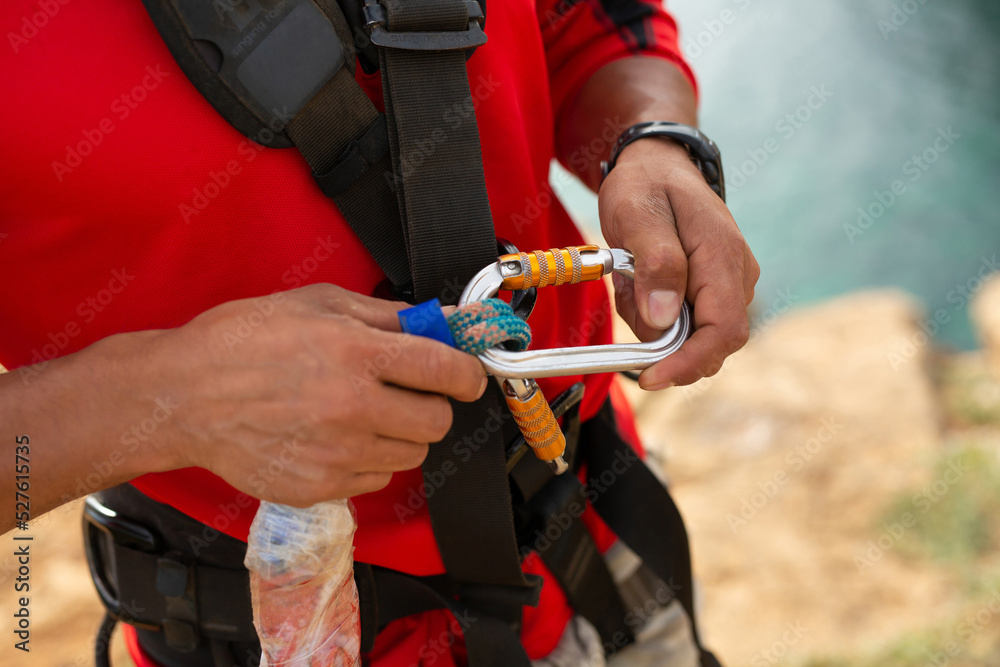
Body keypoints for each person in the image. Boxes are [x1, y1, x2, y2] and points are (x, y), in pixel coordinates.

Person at [0, 0, 759, 665]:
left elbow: (586, 21)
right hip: (279, 627)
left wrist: (655, 143)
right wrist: (172, 398)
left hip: (593, 526)